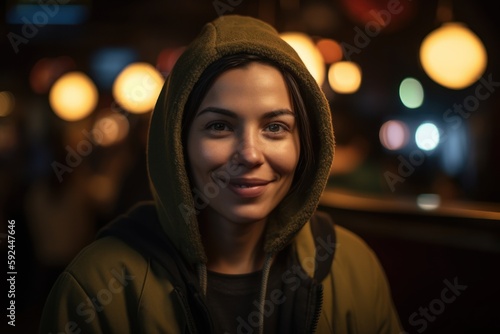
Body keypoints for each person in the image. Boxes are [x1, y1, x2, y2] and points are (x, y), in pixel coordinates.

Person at [39, 15, 402, 333]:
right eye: (219, 126)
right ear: (177, 142)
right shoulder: (96, 286)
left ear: (305, 143)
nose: (249, 154)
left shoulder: (352, 267)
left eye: (275, 127)